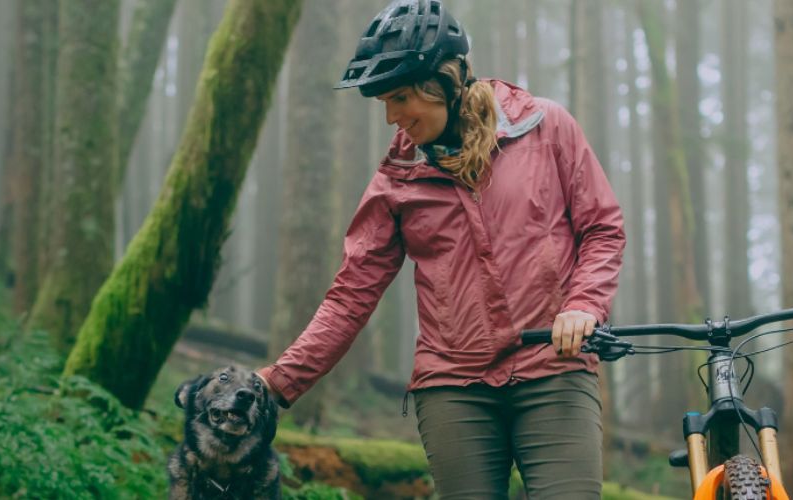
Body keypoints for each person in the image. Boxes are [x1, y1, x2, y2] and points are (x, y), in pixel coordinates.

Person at [254, 0, 625, 498]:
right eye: (384, 101)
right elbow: (350, 296)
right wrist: (278, 381)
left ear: (448, 81)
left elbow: (601, 228)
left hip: (553, 369)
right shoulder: (395, 180)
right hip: (453, 387)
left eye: (402, 97)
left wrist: (583, 305)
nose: (391, 117)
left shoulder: (546, 128)